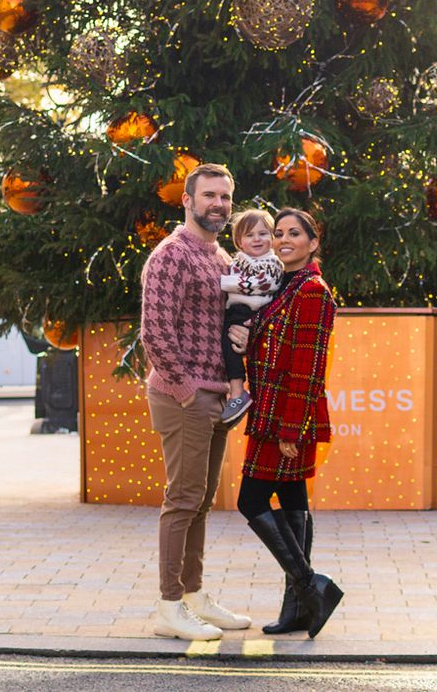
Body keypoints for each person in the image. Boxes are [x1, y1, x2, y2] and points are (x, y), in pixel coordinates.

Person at [137, 161, 250, 641]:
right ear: (187, 200)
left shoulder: (220, 256)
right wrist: (186, 391)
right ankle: (168, 606)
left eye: (225, 197)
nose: (219, 205)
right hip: (185, 396)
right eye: (209, 196)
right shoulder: (171, 255)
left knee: (201, 502)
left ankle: (194, 595)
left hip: (216, 397)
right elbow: (154, 333)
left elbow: (223, 324)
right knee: (182, 500)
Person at [231, 207, 344, 637]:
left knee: (251, 500)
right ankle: (297, 609)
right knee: (294, 501)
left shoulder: (312, 290)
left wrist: (290, 429)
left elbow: (309, 365)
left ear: (313, 243)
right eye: (279, 233)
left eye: (294, 233)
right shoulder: (285, 285)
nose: (283, 240)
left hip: (286, 415)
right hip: (273, 412)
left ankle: (311, 588)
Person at [216, 209, 283, 429]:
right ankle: (235, 390)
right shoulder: (236, 262)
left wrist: (227, 282)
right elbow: (243, 280)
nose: (257, 239)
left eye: (263, 233)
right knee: (226, 346)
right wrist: (234, 280)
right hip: (234, 310)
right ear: (239, 242)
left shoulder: (273, 264)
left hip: (253, 312)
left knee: (231, 346)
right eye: (249, 235)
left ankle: (238, 392)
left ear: (272, 238)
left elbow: (264, 284)